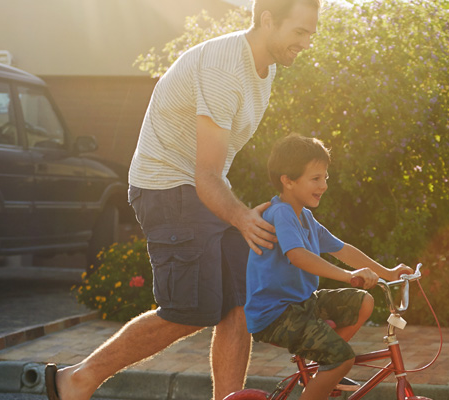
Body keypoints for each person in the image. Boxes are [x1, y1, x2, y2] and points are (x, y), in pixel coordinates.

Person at [46, 1, 320, 400]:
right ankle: (78, 379)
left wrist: (249, 212)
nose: (307, 42)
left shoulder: (265, 68)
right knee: (190, 309)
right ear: (266, 20)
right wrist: (242, 218)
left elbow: (213, 168)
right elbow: (205, 174)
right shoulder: (225, 67)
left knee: (242, 295)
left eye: (311, 33)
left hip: (196, 187)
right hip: (166, 188)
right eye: (300, 31)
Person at [245, 135, 411, 400]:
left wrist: (388, 273)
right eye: (315, 179)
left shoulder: (305, 216)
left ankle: (326, 370)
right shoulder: (282, 213)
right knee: (343, 358)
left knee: (363, 302)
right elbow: (298, 256)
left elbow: (342, 249)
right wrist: (347, 276)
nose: (323, 185)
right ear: (288, 180)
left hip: (301, 304)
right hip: (275, 315)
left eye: (325, 178)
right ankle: (331, 369)